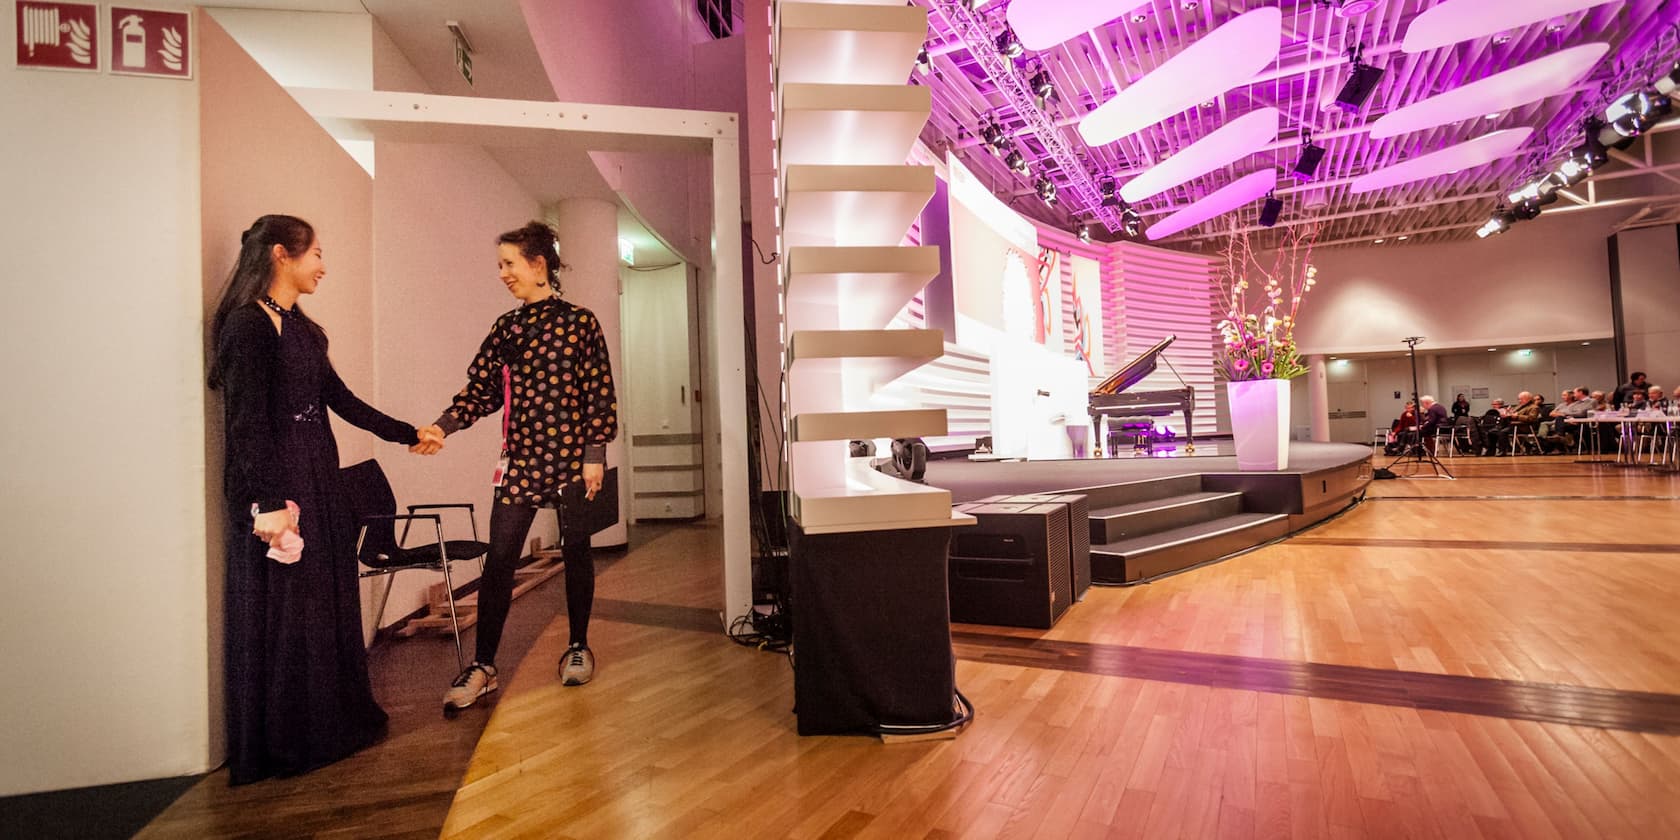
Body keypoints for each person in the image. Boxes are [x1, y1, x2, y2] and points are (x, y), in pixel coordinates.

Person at [208, 214, 432, 785]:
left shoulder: (303, 330)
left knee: (323, 605)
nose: (323, 267)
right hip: (279, 486)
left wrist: (409, 433)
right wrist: (268, 502)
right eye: (317, 256)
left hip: (319, 477)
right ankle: (287, 740)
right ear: (282, 255)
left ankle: (329, 724)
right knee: (288, 610)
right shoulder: (246, 327)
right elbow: (247, 426)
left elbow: (342, 399)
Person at [421, 221, 620, 713]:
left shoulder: (581, 322)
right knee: (501, 561)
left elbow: (599, 394)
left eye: (509, 263)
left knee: (577, 553)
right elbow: (482, 390)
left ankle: (577, 646)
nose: (503, 274)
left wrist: (595, 455)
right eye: (500, 265)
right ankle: (484, 666)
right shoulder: (507, 329)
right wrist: (443, 426)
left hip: (573, 461)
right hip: (520, 462)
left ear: (538, 265)